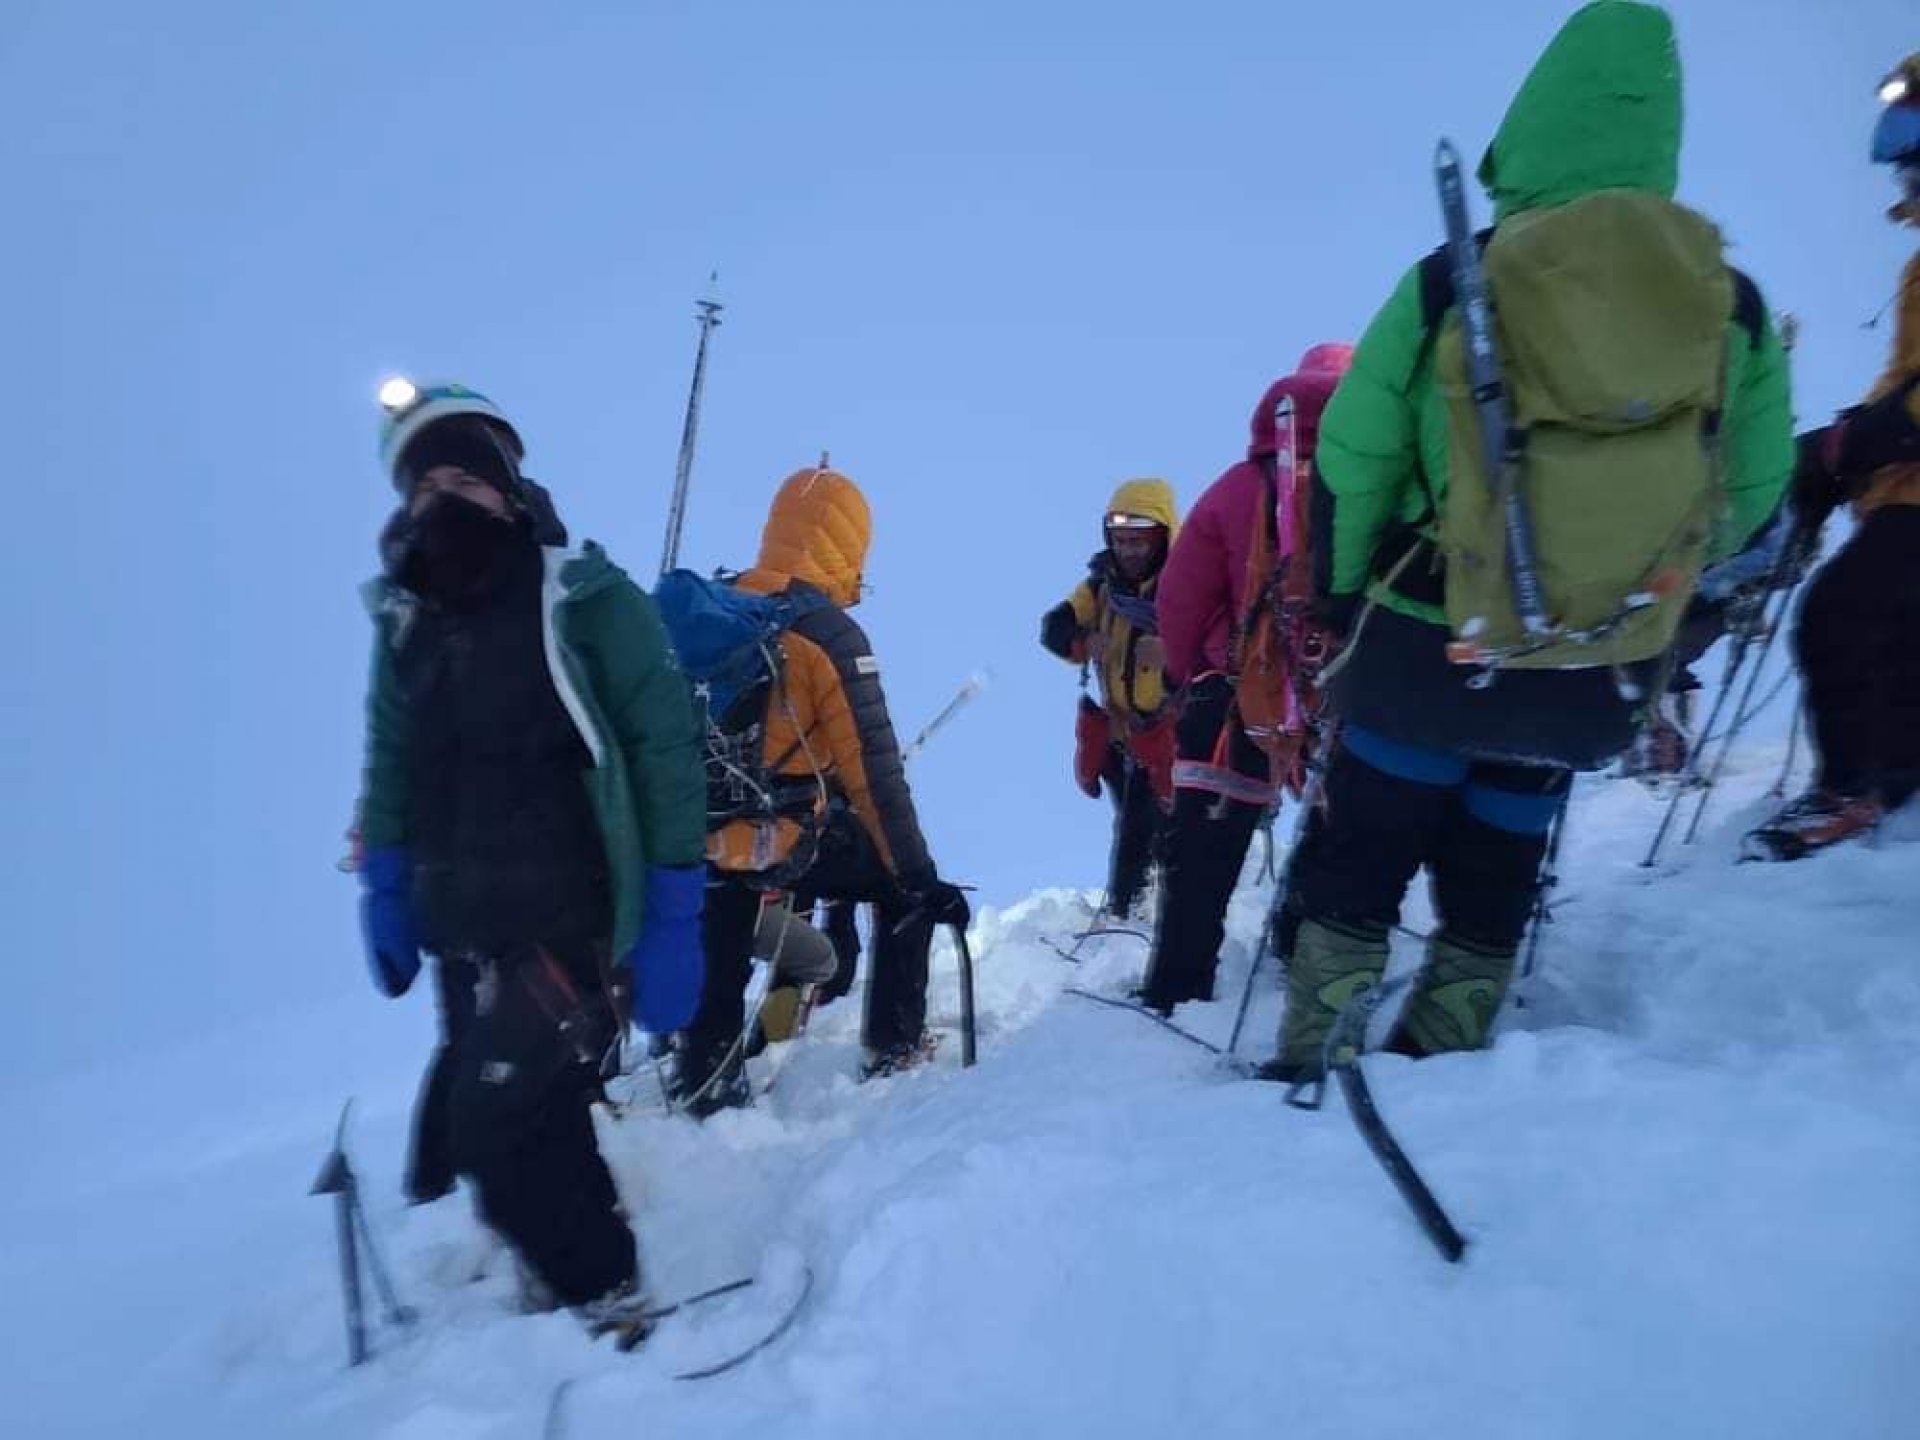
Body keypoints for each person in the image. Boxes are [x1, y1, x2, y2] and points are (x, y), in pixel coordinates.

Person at [1268, 1, 1793, 1080]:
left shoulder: (1452, 278)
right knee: (1500, 861)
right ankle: (1448, 1052)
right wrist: (1659, 607)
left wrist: (1335, 590)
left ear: (1530, 126)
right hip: (1589, 661)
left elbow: (1355, 459)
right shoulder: (1727, 305)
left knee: (1365, 852)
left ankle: (1313, 1055)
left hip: (1427, 636)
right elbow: (1752, 492)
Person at [353, 380, 708, 1323]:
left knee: (488, 1124)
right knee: (541, 1115)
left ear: (509, 485)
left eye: (464, 474)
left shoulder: (588, 600)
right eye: (420, 484)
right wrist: (385, 880)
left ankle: (611, 1300)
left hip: (568, 914)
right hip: (461, 917)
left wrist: (676, 910)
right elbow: (391, 758)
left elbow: (664, 750)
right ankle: (586, 1276)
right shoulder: (408, 623)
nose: (440, 497)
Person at [671, 465, 969, 1114]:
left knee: (720, 942)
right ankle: (893, 1047)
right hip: (778, 834)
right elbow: (876, 776)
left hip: (694, 832)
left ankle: (706, 1088)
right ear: (851, 544)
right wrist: (921, 877)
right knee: (893, 887)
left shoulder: (713, 605)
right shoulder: (825, 634)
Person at [1743, 56, 1920, 860]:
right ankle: (1892, 775)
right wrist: (1850, 440)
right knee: (1892, 628)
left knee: (1838, 619)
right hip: (1903, 485)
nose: (1902, 167)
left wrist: (1867, 438)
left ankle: (1851, 788)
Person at [1142, 347, 1352, 1014]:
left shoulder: (1239, 486)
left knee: (1204, 852)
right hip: (1345, 695)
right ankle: (1301, 949)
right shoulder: (1375, 478)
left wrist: (1189, 674)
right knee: (1340, 826)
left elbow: (1179, 594)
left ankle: (1178, 988)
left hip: (1232, 696)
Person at [1039, 480, 1181, 921]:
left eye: (1138, 541)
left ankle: (1125, 914)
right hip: (1121, 737)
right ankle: (1143, 907)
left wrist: (1171, 652)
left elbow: (1219, 647)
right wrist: (1083, 641)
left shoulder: (1185, 585)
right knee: (1136, 825)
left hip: (1171, 734)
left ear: (1161, 537)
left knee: (1141, 828)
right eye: (1120, 541)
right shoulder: (1100, 587)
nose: (1129, 551)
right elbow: (1053, 627)